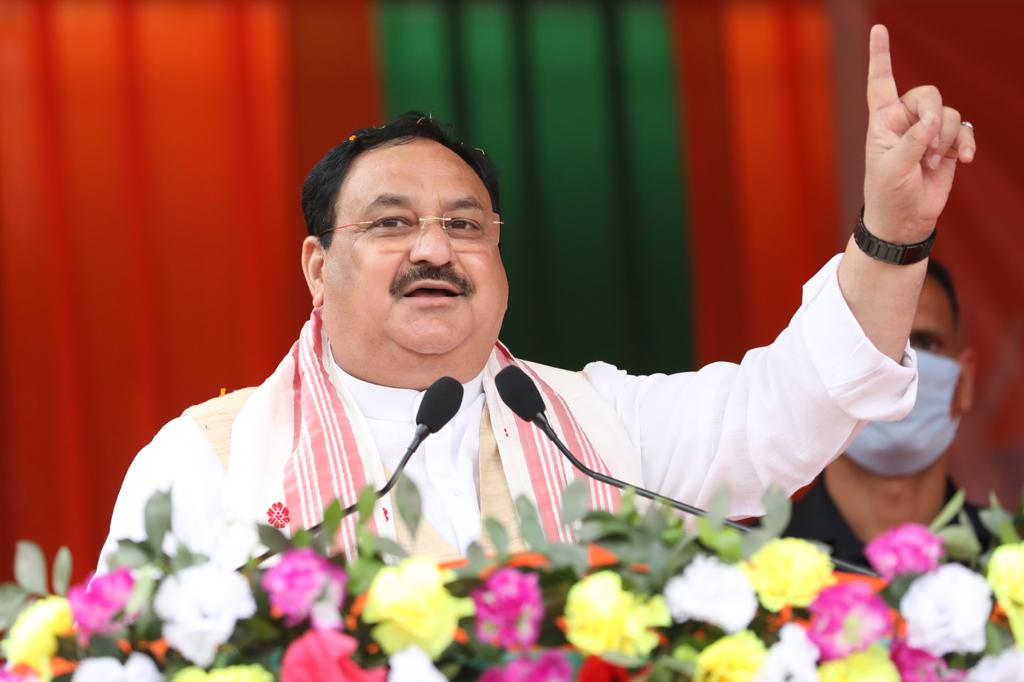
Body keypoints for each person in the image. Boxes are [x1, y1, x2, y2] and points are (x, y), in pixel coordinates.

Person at [98, 26, 976, 568]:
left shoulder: (589, 428)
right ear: (316, 267)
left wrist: (890, 230)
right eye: (392, 224)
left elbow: (785, 408)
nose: (435, 249)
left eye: (466, 225)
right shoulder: (205, 465)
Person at [785, 260, 990, 565]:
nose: (899, 367)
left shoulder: (1012, 565)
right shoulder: (743, 574)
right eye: (872, 342)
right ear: (818, 374)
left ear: (964, 383)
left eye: (926, 343)